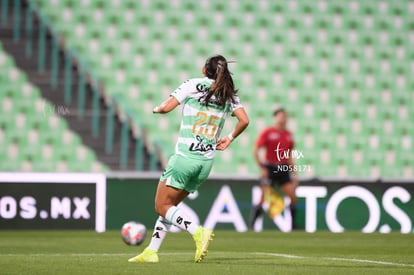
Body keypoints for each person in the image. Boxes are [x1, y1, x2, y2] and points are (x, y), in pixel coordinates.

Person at [128, 55, 249, 263]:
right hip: (205, 164)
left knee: (161, 206)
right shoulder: (227, 93)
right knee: (170, 207)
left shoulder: (193, 84)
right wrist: (228, 138)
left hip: (184, 158)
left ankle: (197, 231)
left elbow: (166, 107)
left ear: (204, 70)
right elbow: (244, 120)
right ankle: (151, 251)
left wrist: (155, 109)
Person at [250, 108, 298, 230]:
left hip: (283, 168)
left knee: (292, 196)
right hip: (270, 168)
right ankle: (252, 226)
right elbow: (256, 150)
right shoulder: (268, 132)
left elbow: (289, 155)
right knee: (263, 197)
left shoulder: (288, 135)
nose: (283, 119)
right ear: (275, 118)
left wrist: (294, 173)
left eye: (285, 116)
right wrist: (262, 167)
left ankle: (293, 226)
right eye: (281, 116)